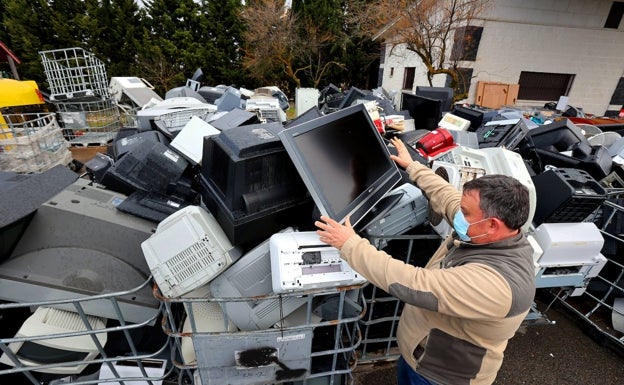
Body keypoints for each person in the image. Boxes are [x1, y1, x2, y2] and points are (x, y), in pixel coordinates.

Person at [315, 137, 536, 385]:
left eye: (466, 213)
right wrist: (413, 167)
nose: (458, 215)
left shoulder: (495, 285)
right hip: (421, 357)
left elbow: (412, 283)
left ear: (493, 224)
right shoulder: (487, 232)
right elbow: (447, 197)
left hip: (439, 376)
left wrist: (349, 244)